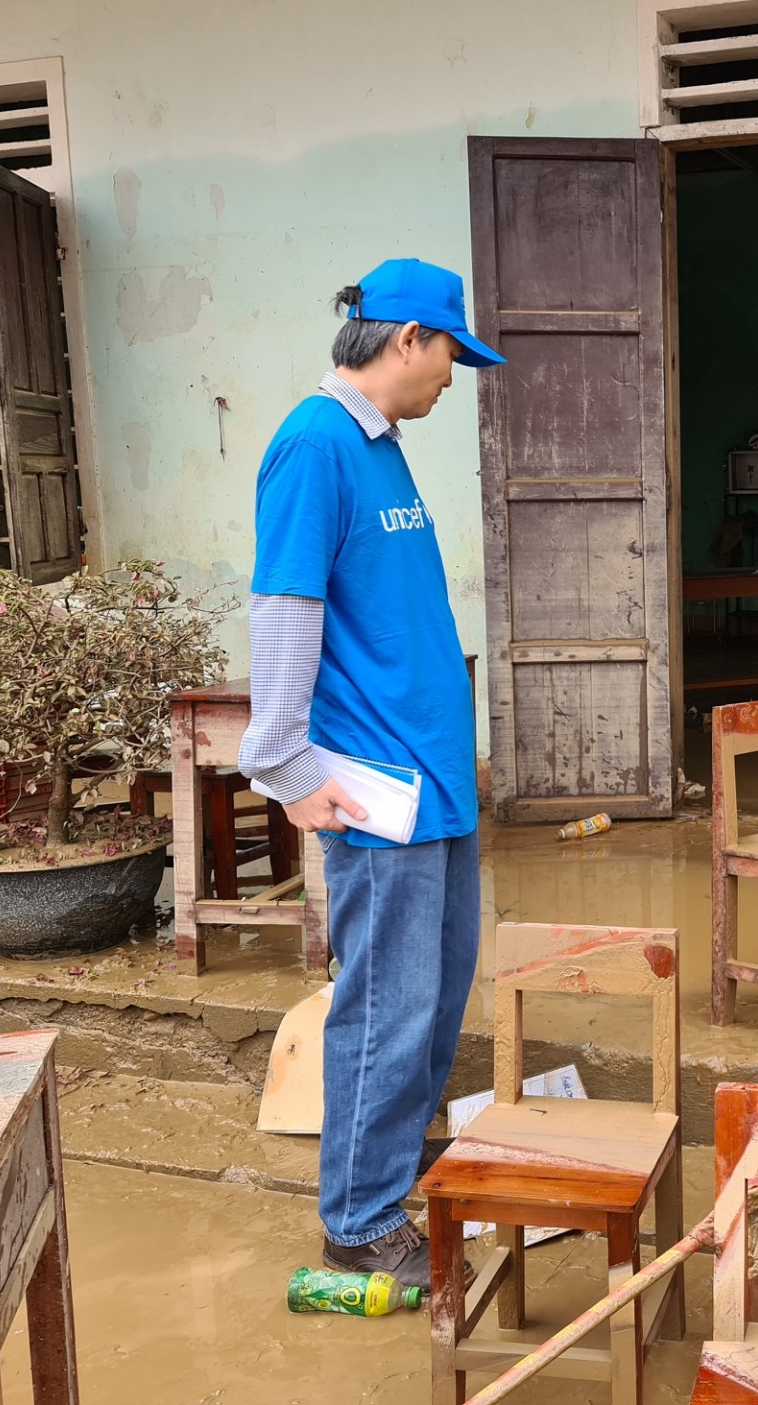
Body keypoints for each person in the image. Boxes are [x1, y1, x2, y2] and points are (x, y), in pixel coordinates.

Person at [239, 258, 503, 1285]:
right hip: (379, 793)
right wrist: (287, 765)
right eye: (449, 355)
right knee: (387, 1009)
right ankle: (357, 1223)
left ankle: (387, 1174)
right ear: (405, 341)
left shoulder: (377, 447)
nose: (452, 376)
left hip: (434, 784)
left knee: (432, 1003)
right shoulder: (314, 448)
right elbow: (284, 615)